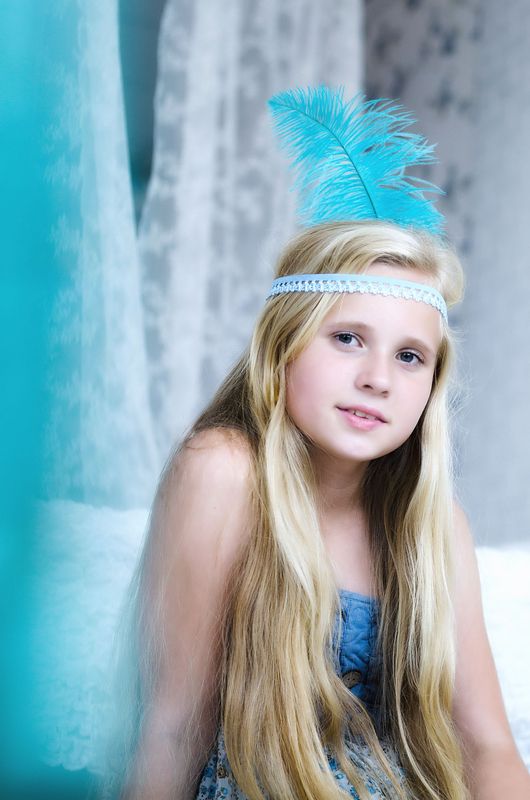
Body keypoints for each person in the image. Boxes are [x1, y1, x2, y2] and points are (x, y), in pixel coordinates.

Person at [110, 89, 530, 800]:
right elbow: (171, 727)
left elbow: (488, 746)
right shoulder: (224, 474)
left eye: (409, 357)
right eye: (347, 339)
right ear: (283, 348)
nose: (377, 379)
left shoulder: (434, 525)